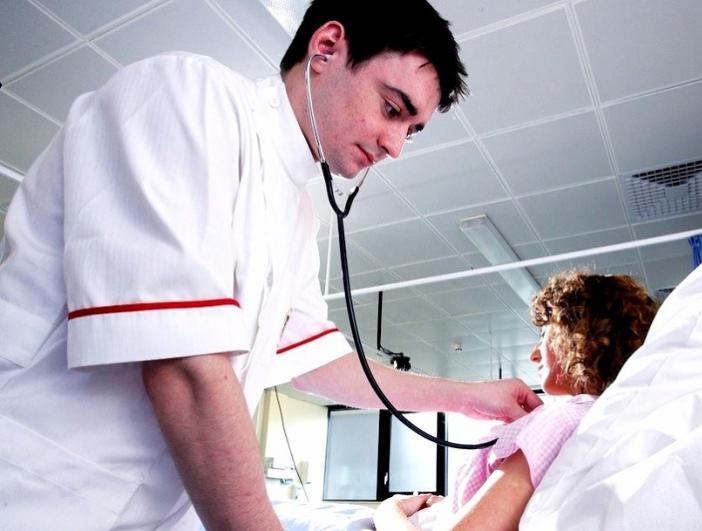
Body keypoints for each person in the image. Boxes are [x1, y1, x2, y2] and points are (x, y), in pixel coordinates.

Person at [0, 1, 541, 530]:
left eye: (411, 129)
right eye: (393, 109)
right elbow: (184, 366)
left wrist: (468, 397)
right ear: (327, 47)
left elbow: (317, 361)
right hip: (35, 494)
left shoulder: (297, 216)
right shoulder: (190, 96)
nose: (396, 147)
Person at [374, 271, 659, 531]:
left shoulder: (562, 420)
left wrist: (389, 511)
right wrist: (449, 507)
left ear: (578, 336)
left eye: (545, 335)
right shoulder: (598, 417)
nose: (533, 355)